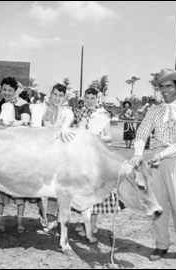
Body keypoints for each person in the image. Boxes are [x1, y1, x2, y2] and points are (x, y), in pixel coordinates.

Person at [129, 68, 176, 266]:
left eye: (168, 86)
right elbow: (142, 133)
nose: (164, 90)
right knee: (157, 204)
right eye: (161, 87)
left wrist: (161, 154)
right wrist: (138, 153)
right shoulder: (154, 110)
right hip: (156, 160)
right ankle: (161, 244)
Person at [0, 76, 31, 233]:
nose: (6, 92)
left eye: (10, 90)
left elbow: (26, 120)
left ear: (14, 91)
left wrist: (17, 122)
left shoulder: (23, 106)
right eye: (4, 89)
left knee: (19, 187)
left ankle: (19, 222)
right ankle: (0, 221)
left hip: (18, 153)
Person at [75, 87, 115, 237]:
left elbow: (109, 137)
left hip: (98, 157)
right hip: (83, 157)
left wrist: (95, 138)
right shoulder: (81, 113)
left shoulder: (102, 115)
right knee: (85, 191)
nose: (90, 101)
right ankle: (86, 222)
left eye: (92, 98)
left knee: (95, 191)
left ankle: (93, 225)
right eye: (87, 98)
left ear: (97, 99)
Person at [40, 83, 75, 233]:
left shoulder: (67, 112)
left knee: (61, 187)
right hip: (44, 152)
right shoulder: (44, 108)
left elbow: (68, 121)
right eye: (55, 94)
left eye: (60, 95)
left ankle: (60, 220)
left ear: (64, 97)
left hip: (61, 155)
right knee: (45, 188)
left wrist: (65, 126)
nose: (57, 98)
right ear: (51, 93)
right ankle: (48, 218)